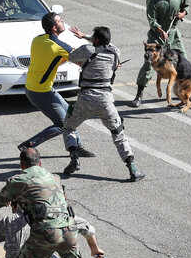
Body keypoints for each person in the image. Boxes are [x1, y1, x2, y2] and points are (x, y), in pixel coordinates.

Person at [61, 26, 145, 182]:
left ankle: (74, 159)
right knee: (118, 133)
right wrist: (88, 36)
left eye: (93, 37)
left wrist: (85, 39)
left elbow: (72, 57)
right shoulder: (116, 53)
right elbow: (106, 47)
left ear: (96, 39)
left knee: (68, 127)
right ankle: (132, 169)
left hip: (85, 98)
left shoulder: (87, 49)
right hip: (106, 100)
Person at [18, 12, 96, 158]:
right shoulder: (57, 46)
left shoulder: (38, 40)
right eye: (60, 21)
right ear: (54, 28)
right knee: (63, 124)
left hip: (34, 87)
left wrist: (66, 59)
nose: (63, 22)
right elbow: (83, 58)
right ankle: (28, 145)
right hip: (40, 92)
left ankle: (77, 147)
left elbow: (52, 59)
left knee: (70, 115)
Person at [131, 0, 190, 107]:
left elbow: (185, 6)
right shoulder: (153, 1)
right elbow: (152, 20)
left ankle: (184, 92)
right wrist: (160, 30)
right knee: (148, 65)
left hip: (173, 35)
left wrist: (182, 14)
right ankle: (139, 94)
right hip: (156, 37)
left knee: (184, 61)